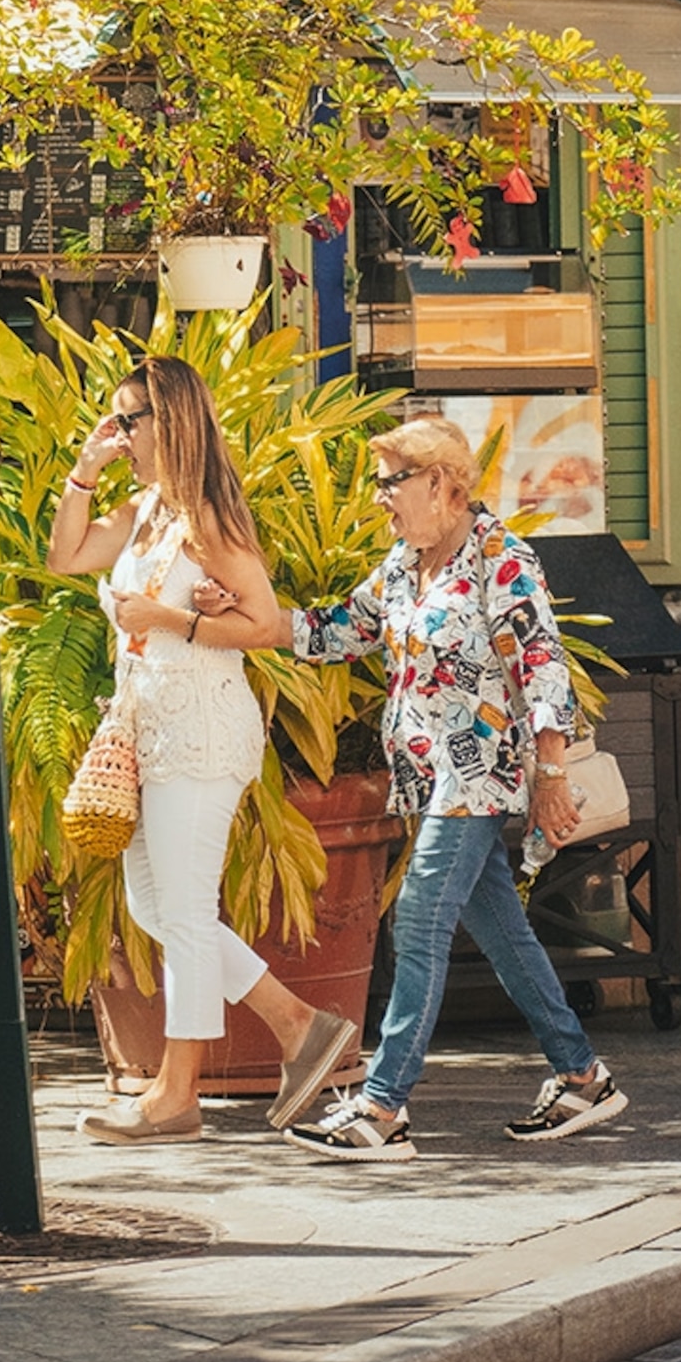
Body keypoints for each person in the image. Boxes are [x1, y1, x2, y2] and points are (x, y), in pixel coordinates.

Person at [251, 413, 627, 1161]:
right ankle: (582, 1074)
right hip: (431, 778)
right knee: (500, 929)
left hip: (480, 776)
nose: (380, 498)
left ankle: (383, 1108)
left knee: (420, 918)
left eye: (392, 482)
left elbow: (543, 671)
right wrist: (239, 617)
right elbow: (335, 631)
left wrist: (550, 777)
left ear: (443, 484)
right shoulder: (402, 565)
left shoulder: (501, 560)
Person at [49, 354, 357, 1145]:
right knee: (155, 907)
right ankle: (297, 1024)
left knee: (183, 911)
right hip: (150, 729)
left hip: (203, 728)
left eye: (130, 421)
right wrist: (84, 473)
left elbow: (263, 625)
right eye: (116, 421)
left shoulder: (207, 519)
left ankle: (176, 1094)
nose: (121, 434)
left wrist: (168, 619)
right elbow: (65, 557)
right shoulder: (146, 509)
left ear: (171, 422)